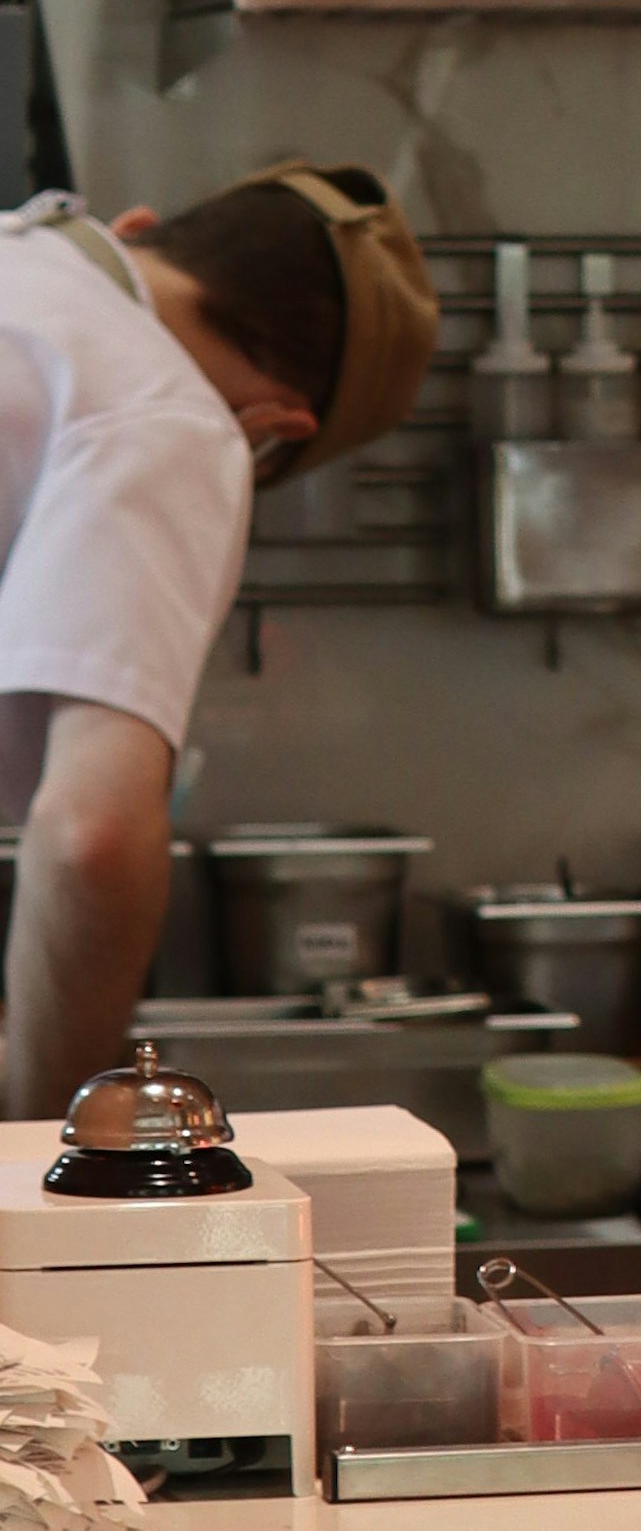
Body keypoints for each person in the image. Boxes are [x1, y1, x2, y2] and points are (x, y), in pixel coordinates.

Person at [0, 165, 436, 1118]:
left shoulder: (24, 265)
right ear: (275, 428)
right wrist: (40, 1143)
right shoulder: (171, 414)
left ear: (141, 227)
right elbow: (92, 838)